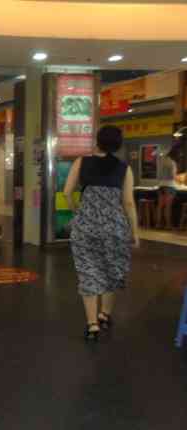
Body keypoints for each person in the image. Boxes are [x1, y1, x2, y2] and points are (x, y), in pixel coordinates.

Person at [63, 125, 140, 342]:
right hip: (114, 228)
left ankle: (92, 325)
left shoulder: (82, 162)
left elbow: (67, 192)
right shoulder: (124, 169)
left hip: (85, 227)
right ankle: (104, 315)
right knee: (111, 272)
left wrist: (77, 212)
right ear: (118, 145)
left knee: (88, 272)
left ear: (97, 141)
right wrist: (134, 232)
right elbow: (128, 203)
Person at [156, 147, 179, 229]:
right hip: (170, 186)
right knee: (167, 207)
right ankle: (168, 225)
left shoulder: (162, 162)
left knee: (160, 206)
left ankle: (158, 224)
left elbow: (158, 175)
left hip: (161, 186)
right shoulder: (172, 163)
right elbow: (173, 176)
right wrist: (177, 177)